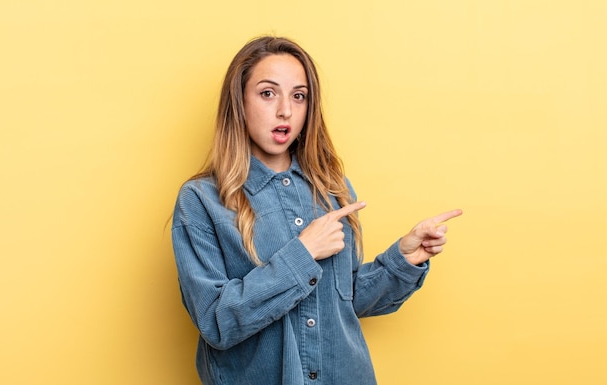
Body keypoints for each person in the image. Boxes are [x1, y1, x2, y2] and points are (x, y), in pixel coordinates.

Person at [171, 35, 462, 385]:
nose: (285, 110)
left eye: (299, 96)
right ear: (239, 102)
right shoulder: (200, 200)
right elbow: (217, 322)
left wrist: (404, 258)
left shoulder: (332, 189)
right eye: (267, 93)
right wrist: (303, 252)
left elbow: (345, 303)